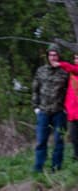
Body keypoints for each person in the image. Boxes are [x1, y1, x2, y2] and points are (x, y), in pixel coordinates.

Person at [31, 44, 78, 172]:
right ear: (48, 56)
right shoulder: (41, 71)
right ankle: (38, 168)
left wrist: (67, 108)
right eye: (51, 55)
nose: (53, 57)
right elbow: (35, 89)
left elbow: (72, 90)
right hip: (43, 111)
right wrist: (36, 107)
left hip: (59, 112)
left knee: (59, 141)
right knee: (41, 141)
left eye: (55, 55)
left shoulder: (65, 72)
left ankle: (56, 168)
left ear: (59, 56)